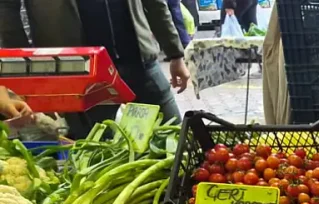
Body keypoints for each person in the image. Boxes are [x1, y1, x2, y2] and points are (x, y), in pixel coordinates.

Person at [0, 0, 190, 137]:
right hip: (78, 74)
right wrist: (26, 72)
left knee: (176, 143)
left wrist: (175, 53)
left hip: (140, 63)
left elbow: (155, 3)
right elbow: (7, 11)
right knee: (102, 163)